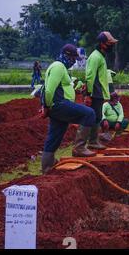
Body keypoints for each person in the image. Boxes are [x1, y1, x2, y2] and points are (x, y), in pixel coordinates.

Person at [41, 44, 96, 173]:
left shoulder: (60, 67)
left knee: (55, 135)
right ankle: (79, 148)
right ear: (66, 55)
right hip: (59, 105)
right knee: (89, 114)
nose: (73, 62)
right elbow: (48, 90)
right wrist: (47, 107)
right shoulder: (58, 67)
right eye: (72, 58)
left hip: (57, 106)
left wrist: (77, 87)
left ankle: (47, 165)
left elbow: (61, 86)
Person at [79, 31, 118, 152]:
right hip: (95, 92)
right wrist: (88, 95)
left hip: (98, 92)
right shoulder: (95, 57)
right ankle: (87, 143)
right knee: (93, 117)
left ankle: (93, 141)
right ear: (102, 43)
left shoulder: (100, 56)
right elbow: (90, 76)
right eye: (109, 43)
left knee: (97, 117)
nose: (111, 45)